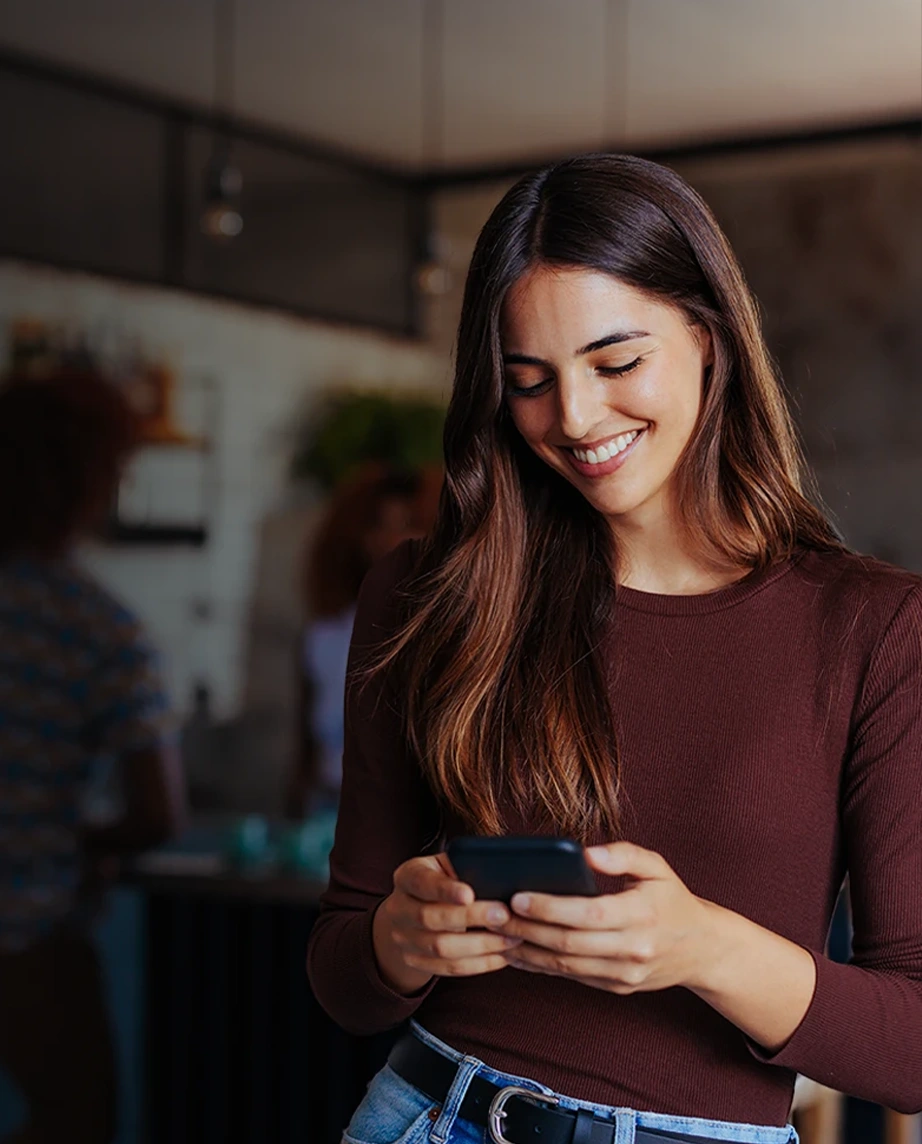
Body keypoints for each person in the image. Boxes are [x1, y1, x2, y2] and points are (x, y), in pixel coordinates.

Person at [306, 154, 922, 1143]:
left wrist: (701, 946)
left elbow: (912, 1051)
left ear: (707, 335)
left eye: (615, 361)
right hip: (430, 1113)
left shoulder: (874, 629)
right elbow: (344, 972)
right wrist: (396, 937)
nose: (576, 419)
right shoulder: (430, 592)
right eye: (529, 381)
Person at [0, 370, 186, 1144]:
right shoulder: (96, 628)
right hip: (32, 933)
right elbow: (158, 812)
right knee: (78, 1118)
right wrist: (87, 843)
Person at [287, 463, 438, 815]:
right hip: (329, 809)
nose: (391, 542)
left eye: (407, 526)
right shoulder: (322, 637)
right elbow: (304, 751)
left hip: (410, 816)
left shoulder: (445, 634)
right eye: (377, 527)